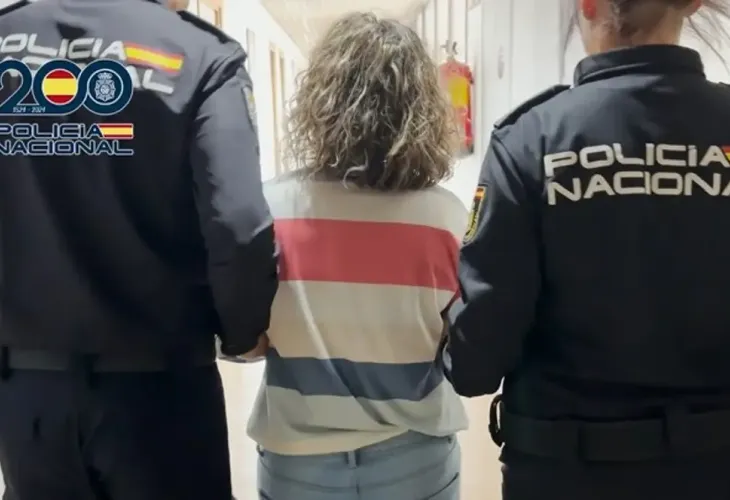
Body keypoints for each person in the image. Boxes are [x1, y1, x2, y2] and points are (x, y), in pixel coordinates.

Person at [443, 0, 730, 499]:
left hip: (566, 473)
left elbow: (477, 361)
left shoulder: (532, 141)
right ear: (693, 3)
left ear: (587, 4)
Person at [0, 0, 278, 498]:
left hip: (27, 397)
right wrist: (243, 332)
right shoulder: (199, 56)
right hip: (160, 394)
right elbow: (237, 224)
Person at [245, 12, 467, 500]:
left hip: (296, 465)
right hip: (415, 461)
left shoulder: (268, 210)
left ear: (320, 100)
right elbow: (462, 346)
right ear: (422, 108)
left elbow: (239, 343)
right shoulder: (447, 220)